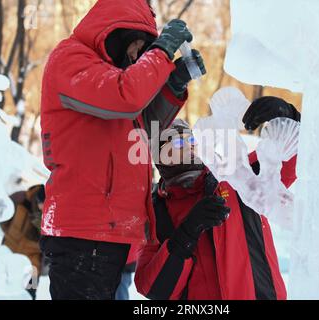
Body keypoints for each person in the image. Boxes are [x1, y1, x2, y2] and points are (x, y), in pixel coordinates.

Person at [39, 0, 206, 300]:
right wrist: (162, 52)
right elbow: (126, 97)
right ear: (117, 32)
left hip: (111, 233)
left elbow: (143, 127)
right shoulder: (70, 58)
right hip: (83, 233)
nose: (137, 56)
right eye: (138, 45)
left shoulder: (114, 78)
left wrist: (173, 86)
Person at [134, 97, 300, 300]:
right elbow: (152, 288)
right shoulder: (155, 212)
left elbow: (295, 160)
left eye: (190, 139)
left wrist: (289, 118)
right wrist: (186, 235)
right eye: (177, 141)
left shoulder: (234, 175)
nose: (189, 145)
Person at [1, 185, 46, 300]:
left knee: (28, 296)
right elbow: (3, 217)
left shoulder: (52, 218)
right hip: (7, 257)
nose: (42, 208)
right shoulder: (21, 199)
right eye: (41, 204)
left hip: (32, 268)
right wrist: (11, 235)